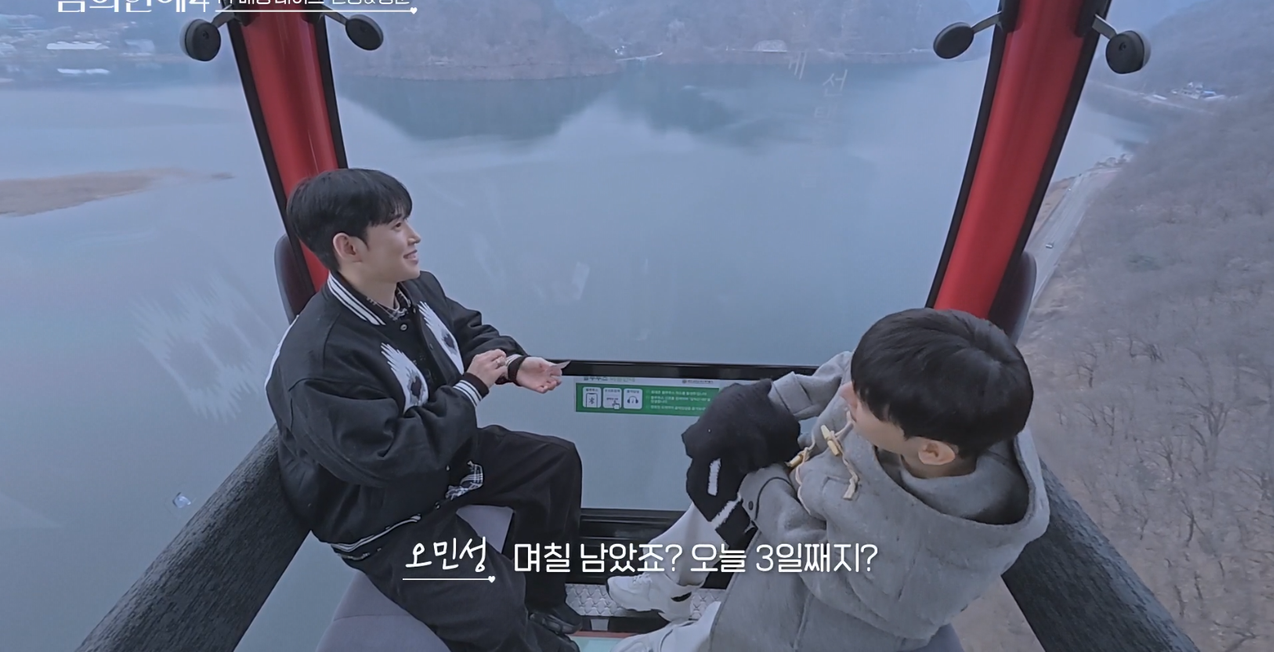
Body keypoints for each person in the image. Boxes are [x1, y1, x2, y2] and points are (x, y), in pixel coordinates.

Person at [265, 168, 584, 652]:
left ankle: (542, 597)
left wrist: (513, 365)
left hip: (443, 462)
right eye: (396, 226)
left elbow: (467, 332)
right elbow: (386, 457)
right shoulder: (319, 361)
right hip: (385, 515)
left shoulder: (412, 290)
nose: (414, 236)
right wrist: (471, 387)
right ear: (348, 247)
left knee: (554, 463)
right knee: (493, 608)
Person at [605, 308, 1051, 652]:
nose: (845, 394)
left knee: (736, 625)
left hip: (807, 619)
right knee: (732, 458)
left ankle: (688, 635)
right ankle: (667, 582)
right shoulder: (943, 405)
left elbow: (818, 564)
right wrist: (768, 403)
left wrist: (762, 487)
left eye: (863, 403)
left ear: (931, 451)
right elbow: (851, 370)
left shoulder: (916, 568)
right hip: (803, 493)